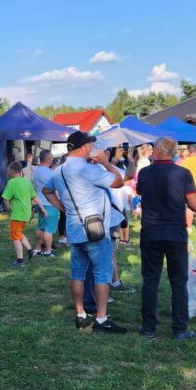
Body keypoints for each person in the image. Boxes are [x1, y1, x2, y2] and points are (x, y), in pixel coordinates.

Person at [42, 131, 127, 334]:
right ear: (83, 147)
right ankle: (101, 318)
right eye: (90, 145)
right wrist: (106, 162)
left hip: (74, 228)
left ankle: (80, 314)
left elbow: (47, 190)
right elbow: (119, 182)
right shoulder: (88, 169)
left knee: (77, 273)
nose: (93, 148)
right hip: (95, 229)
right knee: (102, 273)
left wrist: (63, 208)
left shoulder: (59, 170)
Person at [135, 137, 196, 341]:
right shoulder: (183, 173)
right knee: (179, 282)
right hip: (175, 232)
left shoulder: (145, 173)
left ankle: (148, 327)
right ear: (174, 153)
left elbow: (139, 191)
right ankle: (180, 329)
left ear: (155, 152)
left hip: (151, 232)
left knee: (150, 280)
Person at [2, 161, 46, 267]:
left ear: (12, 171)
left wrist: (8, 209)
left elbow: (5, 198)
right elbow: (34, 197)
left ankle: (20, 260)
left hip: (17, 215)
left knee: (15, 237)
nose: (8, 172)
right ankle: (31, 251)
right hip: (26, 214)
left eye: (8, 170)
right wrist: (42, 208)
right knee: (19, 233)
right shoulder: (26, 182)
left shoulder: (12, 182)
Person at [31, 149, 59, 257]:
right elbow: (56, 188)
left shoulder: (36, 171)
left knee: (40, 227)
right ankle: (48, 251)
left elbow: (35, 186)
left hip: (40, 203)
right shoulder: (50, 173)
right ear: (48, 159)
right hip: (50, 203)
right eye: (51, 158)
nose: (52, 160)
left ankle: (38, 248)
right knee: (49, 229)